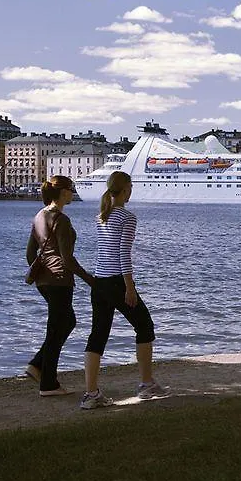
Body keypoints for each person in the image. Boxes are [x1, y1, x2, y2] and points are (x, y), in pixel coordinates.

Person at [80, 170, 164, 409]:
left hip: (99, 282)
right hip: (117, 281)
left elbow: (106, 253)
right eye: (131, 187)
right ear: (126, 189)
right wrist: (129, 288)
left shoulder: (102, 216)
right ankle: (146, 383)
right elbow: (123, 254)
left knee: (98, 335)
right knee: (145, 326)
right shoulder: (127, 218)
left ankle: (91, 393)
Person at [25, 175, 94, 396]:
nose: (73, 193)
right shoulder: (61, 220)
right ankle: (48, 383)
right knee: (57, 328)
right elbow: (67, 259)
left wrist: (42, 273)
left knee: (65, 322)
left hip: (44, 281)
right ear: (63, 192)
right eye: (71, 189)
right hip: (60, 280)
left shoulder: (38, 216)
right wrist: (90, 279)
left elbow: (29, 254)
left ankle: (37, 365)